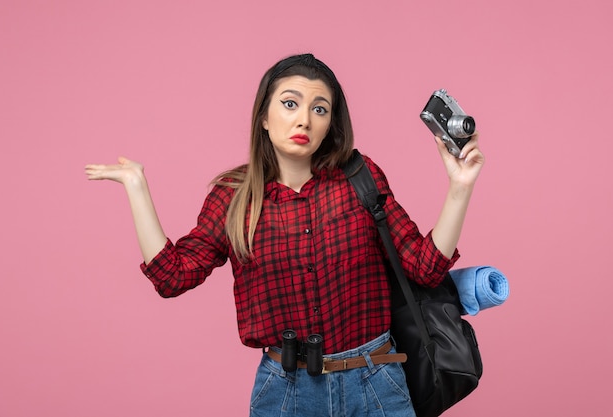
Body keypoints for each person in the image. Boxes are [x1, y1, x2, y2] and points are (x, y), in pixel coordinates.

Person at [85, 53, 484, 417]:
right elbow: (172, 277)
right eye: (290, 104)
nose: (304, 120)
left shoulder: (361, 178)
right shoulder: (233, 197)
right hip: (288, 394)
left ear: (331, 124)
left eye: (320, 109)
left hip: (376, 382)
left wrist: (460, 186)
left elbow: (426, 267)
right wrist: (136, 186)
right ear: (264, 115)